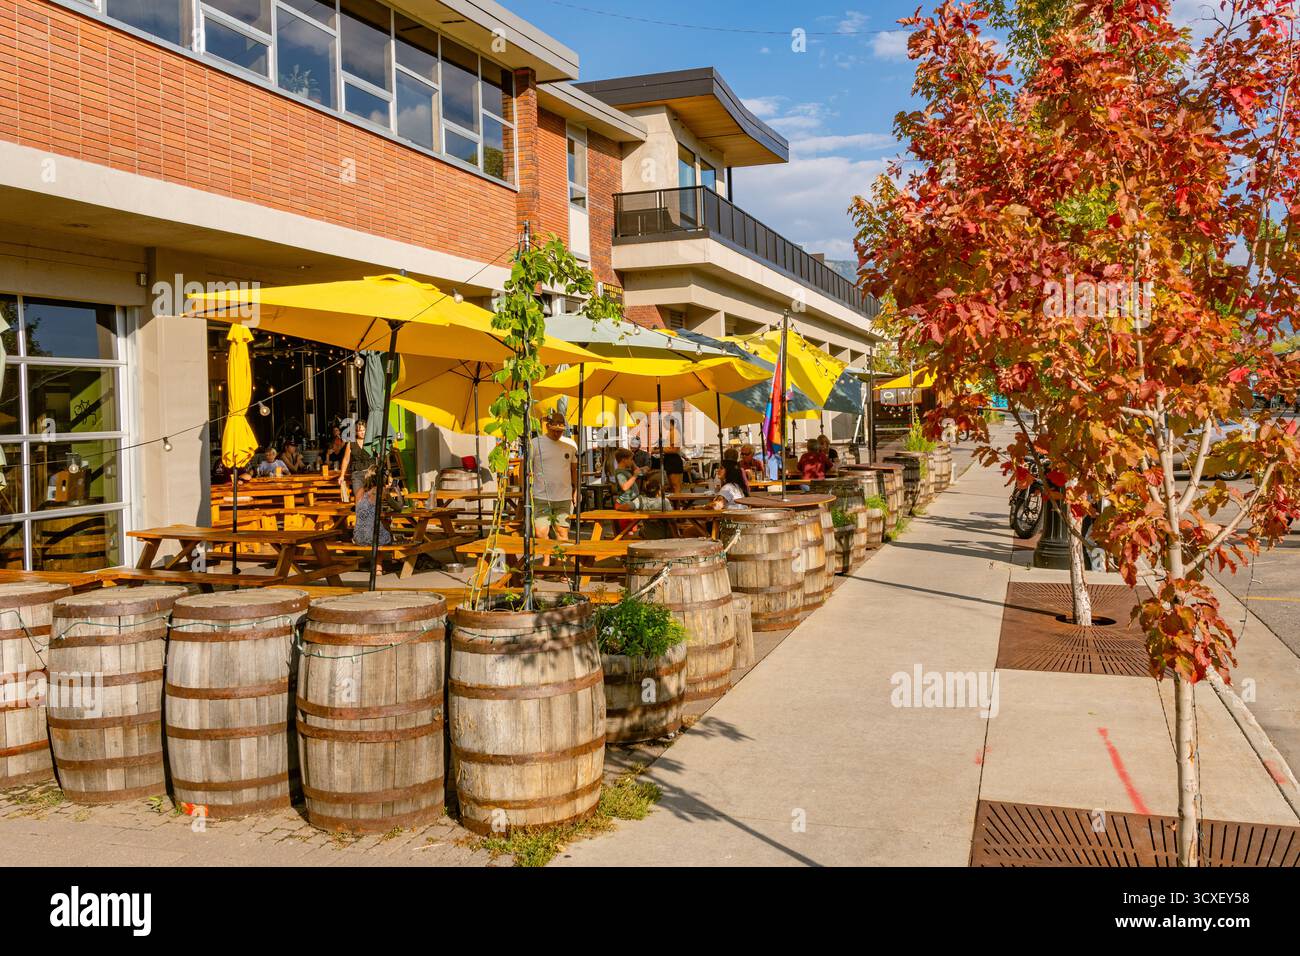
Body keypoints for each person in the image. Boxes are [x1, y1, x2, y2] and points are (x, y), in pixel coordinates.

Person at [531, 410, 578, 545]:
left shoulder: (570, 445)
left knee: (562, 532)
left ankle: (559, 562)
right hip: (541, 495)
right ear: (547, 427)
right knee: (540, 533)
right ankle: (547, 560)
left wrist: (576, 489)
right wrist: (525, 489)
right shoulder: (535, 443)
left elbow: (574, 469)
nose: (557, 433)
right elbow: (525, 466)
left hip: (564, 495)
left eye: (560, 431)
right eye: (554, 430)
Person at [612, 448, 669, 512]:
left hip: (631, 501)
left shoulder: (626, 470)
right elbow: (624, 487)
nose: (632, 461)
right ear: (624, 460)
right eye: (631, 459)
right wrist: (635, 476)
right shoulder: (620, 473)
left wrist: (633, 464)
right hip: (624, 503)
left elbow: (639, 472)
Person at [352, 468, 393, 547]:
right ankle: (383, 559)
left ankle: (378, 558)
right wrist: (397, 489)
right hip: (374, 538)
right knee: (389, 533)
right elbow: (398, 507)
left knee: (382, 524)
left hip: (358, 538)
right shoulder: (382, 490)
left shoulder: (359, 491)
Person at [338, 420, 373, 503]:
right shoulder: (351, 444)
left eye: (363, 430)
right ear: (356, 432)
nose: (362, 432)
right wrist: (342, 475)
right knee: (359, 498)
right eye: (359, 431)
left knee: (371, 498)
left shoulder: (371, 442)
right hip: (357, 475)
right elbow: (346, 460)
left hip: (371, 474)